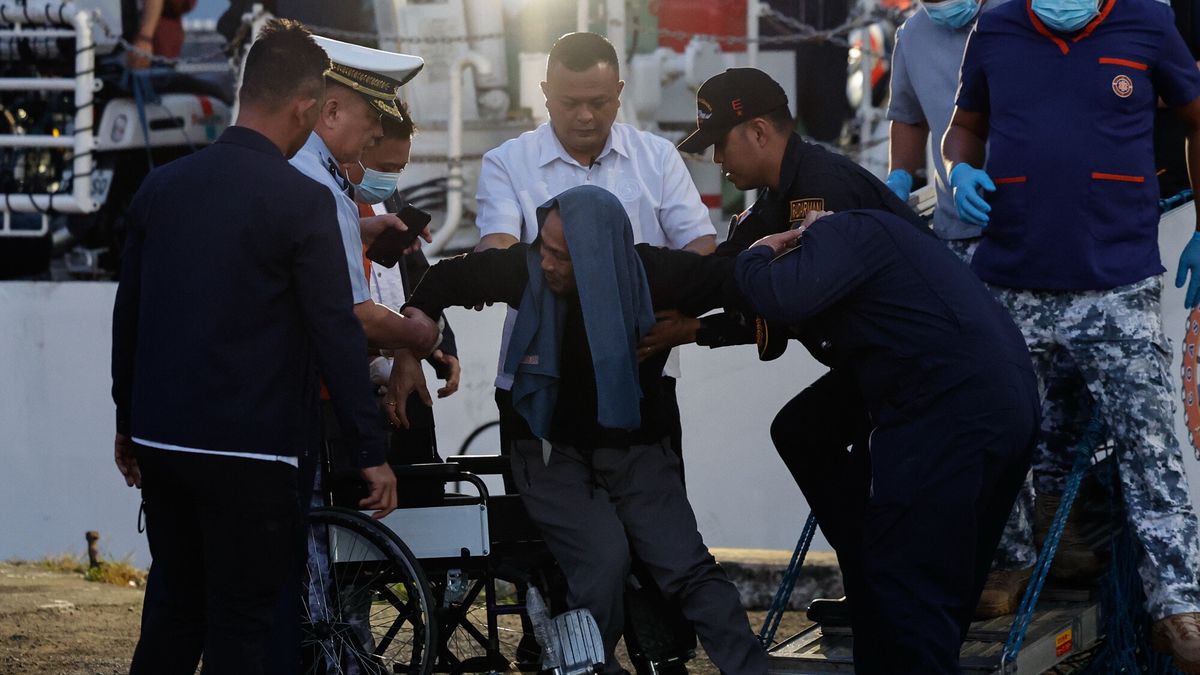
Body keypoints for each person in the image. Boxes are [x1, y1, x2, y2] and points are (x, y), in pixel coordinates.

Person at [110, 20, 430, 673]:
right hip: (253, 453)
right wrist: (371, 452)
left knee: (173, 613)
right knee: (245, 623)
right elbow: (336, 331)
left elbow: (129, 318)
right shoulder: (302, 201)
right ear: (306, 108)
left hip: (163, 442)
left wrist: (126, 425)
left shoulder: (161, 187)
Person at [404, 185, 767, 675]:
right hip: (547, 445)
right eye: (544, 248)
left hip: (634, 444)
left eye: (562, 256)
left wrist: (696, 329)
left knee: (688, 566)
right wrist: (411, 350)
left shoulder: (652, 274)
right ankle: (588, 669)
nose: (546, 263)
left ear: (600, 256)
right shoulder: (526, 267)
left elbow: (740, 281)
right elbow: (442, 281)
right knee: (602, 559)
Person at [942, 0, 1200, 667]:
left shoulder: (1149, 23)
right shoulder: (995, 26)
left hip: (1117, 284)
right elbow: (962, 129)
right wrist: (958, 169)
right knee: (991, 434)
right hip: (1011, 281)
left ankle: (1177, 604)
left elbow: (1198, 117)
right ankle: (1006, 564)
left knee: (1153, 450)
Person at [733, 209, 1038, 673]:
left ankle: (882, 573)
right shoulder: (875, 255)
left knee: (911, 600)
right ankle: (871, 564)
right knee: (927, 594)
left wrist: (754, 255)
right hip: (995, 404)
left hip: (947, 411)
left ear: (788, 246)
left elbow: (779, 296)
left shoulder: (835, 234)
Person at [673, 66, 924, 626]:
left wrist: (695, 331)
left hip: (912, 363)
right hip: (876, 362)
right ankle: (872, 591)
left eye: (721, 144)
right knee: (805, 434)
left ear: (759, 131)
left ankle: (882, 593)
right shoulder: (776, 198)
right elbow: (721, 275)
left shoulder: (820, 190)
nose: (717, 161)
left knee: (816, 438)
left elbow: (793, 300)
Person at [474, 31, 716, 467]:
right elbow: (498, 249)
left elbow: (700, 247)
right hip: (539, 375)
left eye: (599, 102)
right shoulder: (507, 162)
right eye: (570, 103)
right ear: (545, 94)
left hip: (644, 374)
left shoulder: (658, 158)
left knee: (649, 521)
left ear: (619, 93)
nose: (585, 116)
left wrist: (678, 318)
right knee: (538, 530)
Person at [884, 0, 1039, 619]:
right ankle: (995, 551)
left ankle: (1019, 557)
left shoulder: (1019, 17)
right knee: (979, 400)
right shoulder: (913, 33)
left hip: (1030, 233)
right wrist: (898, 178)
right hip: (956, 236)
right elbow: (907, 116)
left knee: (1032, 399)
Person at [288, 35, 434, 358]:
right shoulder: (323, 188)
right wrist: (423, 335)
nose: (379, 132)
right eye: (372, 118)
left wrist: (361, 228)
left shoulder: (300, 167)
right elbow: (358, 316)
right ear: (332, 112)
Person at [344, 110, 461, 489]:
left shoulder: (387, 198)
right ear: (360, 145)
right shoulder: (319, 205)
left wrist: (441, 346)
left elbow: (417, 276)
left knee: (424, 496)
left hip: (408, 379)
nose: (391, 178)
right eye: (386, 167)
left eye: (400, 168)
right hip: (351, 395)